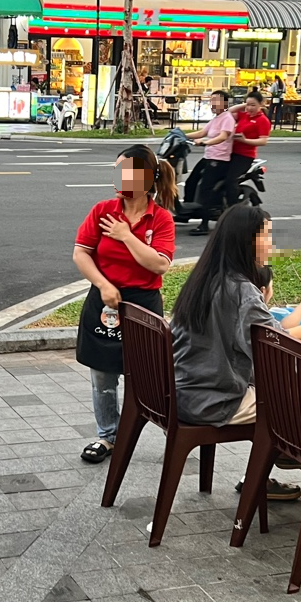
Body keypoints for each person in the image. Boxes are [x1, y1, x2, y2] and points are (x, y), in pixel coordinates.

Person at [171, 206, 301, 500]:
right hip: (213, 401)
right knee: (299, 407)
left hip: (182, 391)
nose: (271, 244)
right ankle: (300, 464)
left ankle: (278, 460)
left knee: (289, 396)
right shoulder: (241, 290)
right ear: (247, 240)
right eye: (267, 235)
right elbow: (276, 344)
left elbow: (263, 337)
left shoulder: (204, 279)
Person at [73, 144, 177, 464]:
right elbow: (81, 253)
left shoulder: (160, 219)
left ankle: (174, 433)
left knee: (151, 375)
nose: (119, 177)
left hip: (143, 306)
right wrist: (103, 284)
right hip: (105, 301)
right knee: (102, 375)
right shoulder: (103, 210)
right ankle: (108, 436)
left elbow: (159, 264)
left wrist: (126, 235)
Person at [186, 90, 237, 236]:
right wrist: (180, 134)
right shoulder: (216, 119)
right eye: (211, 101)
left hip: (219, 159)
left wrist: (205, 143)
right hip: (209, 157)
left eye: (216, 101)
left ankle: (204, 224)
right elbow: (201, 133)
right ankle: (187, 213)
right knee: (191, 181)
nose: (212, 104)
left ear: (225, 103)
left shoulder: (227, 118)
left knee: (205, 189)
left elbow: (223, 136)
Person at [230, 91, 273, 186]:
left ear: (261, 104)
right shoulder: (245, 115)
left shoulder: (263, 120)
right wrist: (246, 104)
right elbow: (229, 112)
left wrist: (244, 140)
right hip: (232, 152)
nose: (249, 108)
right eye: (248, 105)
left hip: (244, 156)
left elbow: (263, 141)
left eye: (253, 105)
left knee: (231, 180)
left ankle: (232, 196)